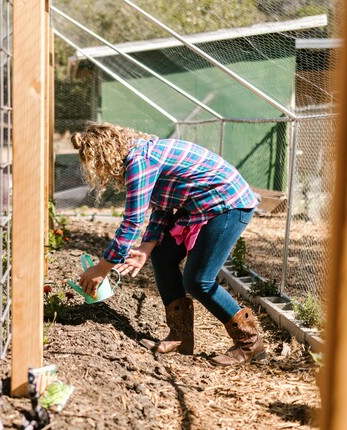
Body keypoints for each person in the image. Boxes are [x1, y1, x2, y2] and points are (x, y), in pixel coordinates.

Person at [72, 122, 266, 366]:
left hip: (227, 205)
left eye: (96, 164)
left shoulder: (140, 161)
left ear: (105, 155)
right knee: (162, 257)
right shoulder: (143, 155)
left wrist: (101, 269)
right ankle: (180, 337)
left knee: (198, 281)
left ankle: (250, 344)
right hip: (203, 205)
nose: (102, 172)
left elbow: (132, 222)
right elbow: (163, 205)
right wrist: (146, 247)